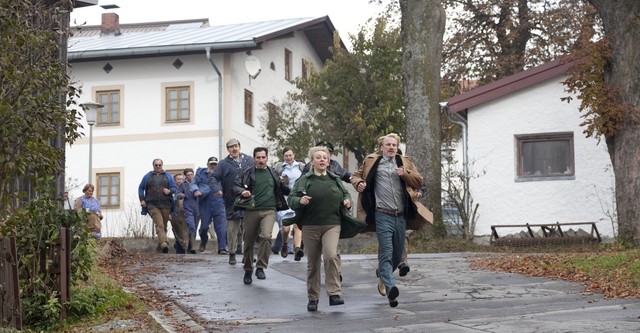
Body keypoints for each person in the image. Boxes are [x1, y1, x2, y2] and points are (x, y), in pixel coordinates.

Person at [351, 133, 428, 307]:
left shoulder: (405, 162)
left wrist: (405, 174)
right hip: (382, 214)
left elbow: (419, 181)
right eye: (388, 145)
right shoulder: (372, 161)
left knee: (397, 252)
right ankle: (391, 288)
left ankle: (383, 278)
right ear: (382, 147)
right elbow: (355, 176)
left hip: (400, 215)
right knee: (386, 251)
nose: (391, 147)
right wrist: (359, 184)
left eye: (394, 145)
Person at [287, 146, 350, 312]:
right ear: (312, 161)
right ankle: (313, 297)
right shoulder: (304, 180)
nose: (322, 160)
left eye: (325, 158)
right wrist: (300, 201)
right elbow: (292, 199)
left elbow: (346, 194)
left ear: (328, 162)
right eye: (318, 157)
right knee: (313, 263)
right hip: (310, 225)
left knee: (330, 255)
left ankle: (334, 293)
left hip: (332, 224)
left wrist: (347, 201)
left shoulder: (335, 179)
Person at [233, 147, 290, 285]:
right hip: (251, 210)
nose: (261, 160)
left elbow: (285, 189)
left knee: (266, 236)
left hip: (269, 210)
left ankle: (260, 267)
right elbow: (235, 186)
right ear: (254, 159)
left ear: (267, 158)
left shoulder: (274, 173)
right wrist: (243, 192)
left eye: (263, 157)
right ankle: (248, 269)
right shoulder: (246, 172)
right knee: (249, 241)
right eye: (258, 158)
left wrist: (288, 185)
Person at [212, 138, 255, 265]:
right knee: (232, 229)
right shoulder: (223, 164)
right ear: (228, 150)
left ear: (239, 147)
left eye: (236, 146)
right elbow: (213, 178)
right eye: (231, 147)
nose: (234, 149)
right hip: (232, 200)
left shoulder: (249, 160)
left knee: (249, 229)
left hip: (249, 199)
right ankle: (232, 253)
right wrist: (217, 189)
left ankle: (248, 254)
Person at [138, 158, 177, 253]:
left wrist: (169, 191)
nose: (158, 166)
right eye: (156, 165)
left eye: (160, 165)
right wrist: (142, 199)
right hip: (152, 204)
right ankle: (164, 243)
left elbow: (174, 188)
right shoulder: (147, 176)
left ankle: (160, 248)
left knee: (163, 226)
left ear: (162, 166)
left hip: (166, 204)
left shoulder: (168, 176)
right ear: (153, 166)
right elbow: (141, 188)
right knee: (159, 224)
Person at [272, 146, 304, 258]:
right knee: (285, 228)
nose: (288, 157)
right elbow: (273, 181)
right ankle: (285, 244)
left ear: (294, 155)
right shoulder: (279, 167)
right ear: (283, 156)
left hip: (297, 200)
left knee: (297, 226)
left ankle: (297, 249)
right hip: (284, 201)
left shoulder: (301, 167)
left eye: (290, 155)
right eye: (286, 156)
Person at [194, 157, 228, 254]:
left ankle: (222, 248)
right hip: (205, 203)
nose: (213, 166)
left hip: (219, 202)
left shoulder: (222, 175)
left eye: (215, 164)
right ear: (207, 164)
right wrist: (196, 191)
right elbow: (194, 184)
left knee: (221, 227)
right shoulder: (201, 173)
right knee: (204, 227)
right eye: (211, 164)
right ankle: (204, 240)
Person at [178, 168, 198, 254]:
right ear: (185, 176)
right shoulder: (183, 184)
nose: (190, 176)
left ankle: (190, 246)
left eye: (191, 174)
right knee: (192, 226)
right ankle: (192, 247)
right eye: (188, 175)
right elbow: (177, 194)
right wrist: (181, 195)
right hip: (187, 208)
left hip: (197, 209)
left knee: (194, 229)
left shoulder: (197, 183)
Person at [170, 173, 189, 254]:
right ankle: (179, 249)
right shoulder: (172, 190)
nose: (180, 181)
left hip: (183, 214)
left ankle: (184, 249)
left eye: (182, 179)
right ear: (174, 181)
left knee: (184, 231)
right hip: (174, 214)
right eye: (178, 179)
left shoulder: (186, 189)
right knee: (176, 231)